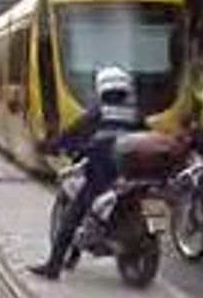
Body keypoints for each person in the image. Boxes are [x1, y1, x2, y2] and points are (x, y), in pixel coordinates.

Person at [30, 66, 143, 280]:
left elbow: (73, 133)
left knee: (72, 216)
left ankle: (53, 267)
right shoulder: (134, 114)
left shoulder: (100, 112)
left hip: (103, 175)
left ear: (102, 87)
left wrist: (51, 146)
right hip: (131, 175)